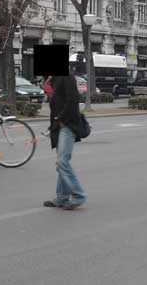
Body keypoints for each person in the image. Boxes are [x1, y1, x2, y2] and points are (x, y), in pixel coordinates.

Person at [43, 74, 87, 211]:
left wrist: (60, 119)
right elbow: (56, 104)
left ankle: (79, 195)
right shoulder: (54, 80)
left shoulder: (66, 77)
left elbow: (72, 100)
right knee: (61, 163)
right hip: (59, 125)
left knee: (62, 162)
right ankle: (61, 197)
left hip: (67, 125)